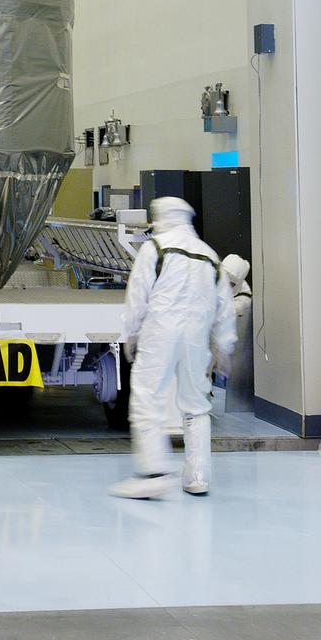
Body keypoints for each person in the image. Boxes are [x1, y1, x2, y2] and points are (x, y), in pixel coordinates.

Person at [110, 196, 236, 500]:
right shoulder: (209, 254)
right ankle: (197, 477)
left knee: (147, 397)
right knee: (196, 405)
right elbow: (225, 305)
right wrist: (223, 346)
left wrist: (129, 332)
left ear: (160, 217)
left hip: (160, 331)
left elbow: (138, 293)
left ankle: (153, 474)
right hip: (197, 336)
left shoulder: (155, 248)